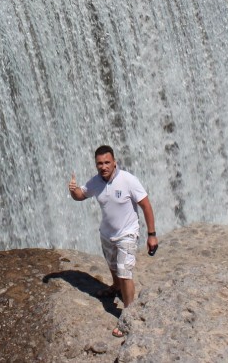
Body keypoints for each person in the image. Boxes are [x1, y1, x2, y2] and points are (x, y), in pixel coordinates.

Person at [68, 144, 158, 338]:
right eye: (100, 163)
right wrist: (73, 190)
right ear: (96, 165)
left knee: (125, 272)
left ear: (114, 162)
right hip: (107, 234)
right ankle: (115, 286)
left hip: (127, 232)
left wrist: (152, 234)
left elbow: (146, 205)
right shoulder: (95, 182)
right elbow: (80, 196)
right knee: (113, 265)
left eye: (107, 162)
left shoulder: (128, 180)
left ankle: (129, 314)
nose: (104, 166)